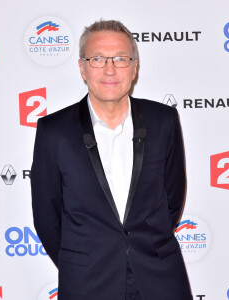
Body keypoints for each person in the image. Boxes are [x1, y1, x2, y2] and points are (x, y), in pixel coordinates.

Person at [31, 19, 192, 300]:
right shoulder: (53, 131)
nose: (109, 69)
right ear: (82, 67)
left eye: (120, 58)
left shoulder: (164, 120)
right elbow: (47, 216)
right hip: (87, 282)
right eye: (97, 59)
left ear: (134, 67)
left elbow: (173, 197)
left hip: (160, 278)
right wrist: (82, 261)